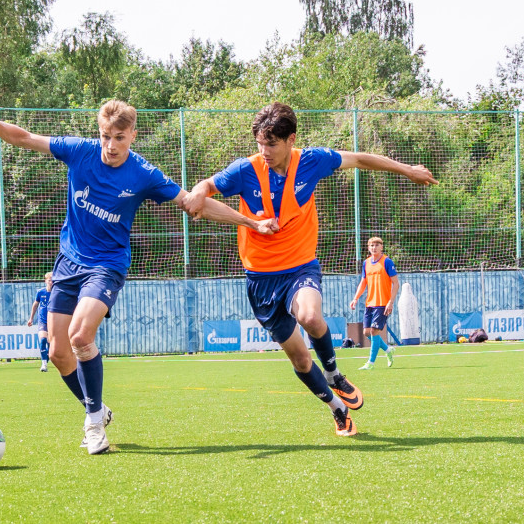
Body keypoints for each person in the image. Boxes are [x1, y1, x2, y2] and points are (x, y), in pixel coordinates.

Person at [0, 98, 277, 455]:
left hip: (107, 265)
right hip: (68, 262)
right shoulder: (79, 151)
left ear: (132, 134)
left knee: (80, 336)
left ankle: (94, 426)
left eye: (119, 137)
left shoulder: (143, 174)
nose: (111, 145)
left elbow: (193, 203)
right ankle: (96, 409)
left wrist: (252, 222)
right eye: (105, 136)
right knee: (57, 352)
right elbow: (25, 138)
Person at [182, 102, 437, 437]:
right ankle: (338, 409)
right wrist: (199, 192)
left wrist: (407, 170)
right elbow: (207, 186)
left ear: (291, 140)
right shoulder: (245, 170)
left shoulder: (313, 161)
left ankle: (334, 373)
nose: (265, 151)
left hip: (300, 266)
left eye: (271, 144)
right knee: (301, 362)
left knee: (311, 317)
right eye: (260, 143)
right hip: (260, 279)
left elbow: (360, 158)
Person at [350, 237, 400, 370]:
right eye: (372, 245)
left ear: (381, 247)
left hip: (383, 303)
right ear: (368, 247)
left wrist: (391, 301)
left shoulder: (387, 262)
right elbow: (363, 282)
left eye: (377, 245)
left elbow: (396, 283)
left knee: (374, 331)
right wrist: (355, 298)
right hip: (370, 303)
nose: (374, 247)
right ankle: (388, 350)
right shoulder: (366, 263)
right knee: (367, 332)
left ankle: (370, 363)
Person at [27, 272, 53, 372]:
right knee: (42, 340)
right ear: (45, 281)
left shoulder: (57, 292)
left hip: (53, 322)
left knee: (51, 347)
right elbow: (35, 305)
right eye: (49, 280)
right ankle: (44, 364)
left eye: (52, 280)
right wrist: (31, 318)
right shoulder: (40, 292)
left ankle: (47, 359)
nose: (51, 282)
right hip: (42, 321)